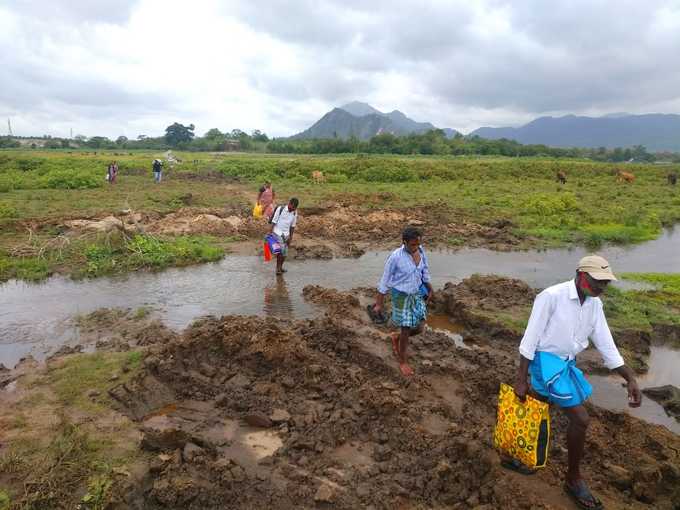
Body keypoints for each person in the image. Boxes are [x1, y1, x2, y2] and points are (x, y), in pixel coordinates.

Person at [510, 255, 641, 510]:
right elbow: (530, 337)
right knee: (580, 418)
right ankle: (573, 478)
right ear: (581, 275)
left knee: (538, 407)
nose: (601, 287)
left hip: (565, 364)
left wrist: (630, 377)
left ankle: (521, 454)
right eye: (597, 281)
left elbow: (605, 342)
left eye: (605, 283)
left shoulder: (594, 305)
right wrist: (520, 379)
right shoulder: (551, 297)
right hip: (544, 361)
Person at [372, 227, 433, 376]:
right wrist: (379, 303)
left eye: (418, 243)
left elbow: (424, 272)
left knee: (419, 327)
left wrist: (431, 289)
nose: (416, 247)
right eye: (412, 244)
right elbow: (384, 280)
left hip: (417, 292)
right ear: (404, 242)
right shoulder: (395, 257)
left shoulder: (421, 251)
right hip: (401, 295)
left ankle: (396, 337)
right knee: (406, 327)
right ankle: (402, 361)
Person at [269, 198, 298, 275]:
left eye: (294, 208)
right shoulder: (280, 209)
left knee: (285, 254)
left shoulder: (294, 213)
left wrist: (290, 237)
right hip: (277, 232)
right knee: (281, 252)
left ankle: (280, 267)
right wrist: (270, 233)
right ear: (289, 204)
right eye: (292, 208)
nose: (292, 210)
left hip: (286, 235)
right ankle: (278, 269)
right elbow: (274, 221)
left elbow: (292, 226)